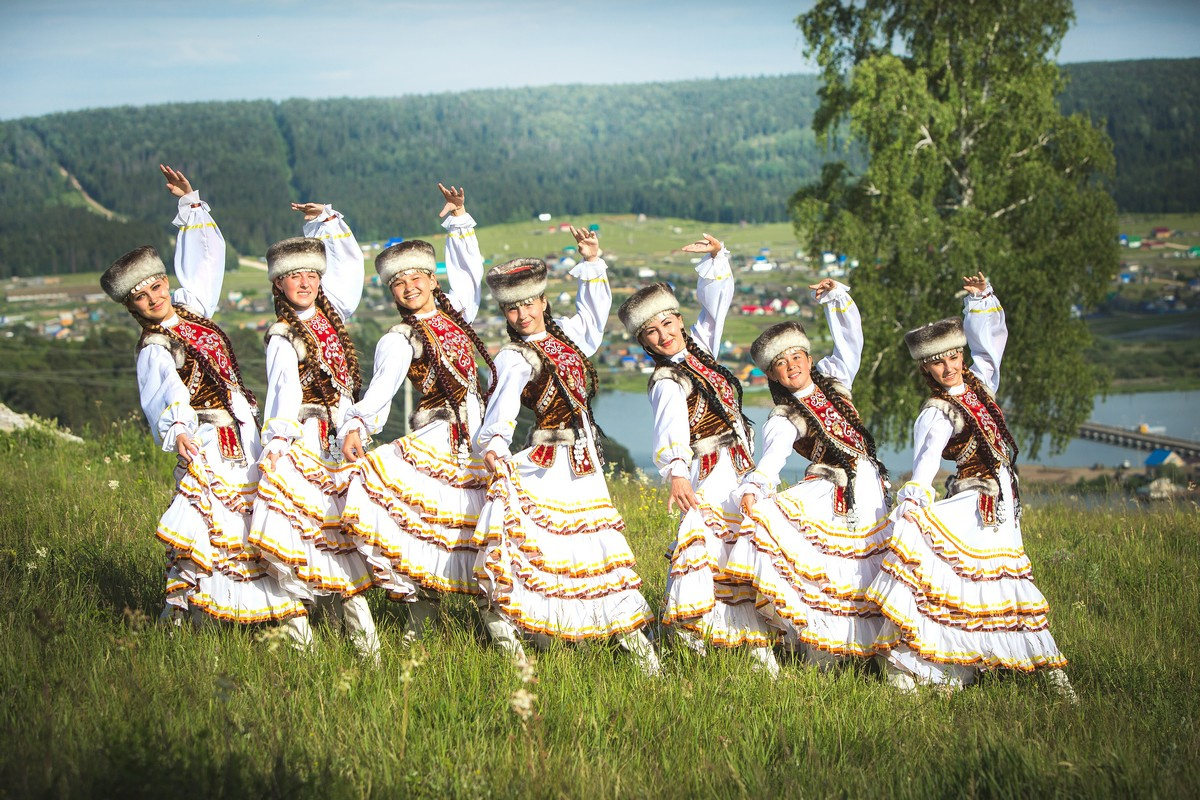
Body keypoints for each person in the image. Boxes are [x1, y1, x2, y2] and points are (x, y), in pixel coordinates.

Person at [100, 164, 304, 628]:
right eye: (140, 297)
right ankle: (195, 624)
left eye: (155, 286)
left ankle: (268, 614)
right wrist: (180, 433)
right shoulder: (154, 346)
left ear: (165, 282)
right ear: (131, 307)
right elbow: (165, 394)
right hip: (209, 440)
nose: (153, 299)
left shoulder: (193, 309)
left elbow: (207, 264)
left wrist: (190, 205)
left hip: (245, 432)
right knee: (213, 530)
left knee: (259, 521)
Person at [867, 272, 1076, 700]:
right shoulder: (936, 411)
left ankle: (1024, 670)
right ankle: (941, 665)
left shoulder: (980, 387)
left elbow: (990, 350)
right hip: (973, 505)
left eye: (953, 357)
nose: (948, 367)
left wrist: (980, 303)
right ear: (926, 367)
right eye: (937, 362)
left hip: (1003, 504)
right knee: (977, 584)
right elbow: (924, 466)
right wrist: (914, 501)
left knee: (999, 583)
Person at [471, 228, 660, 674]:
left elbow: (593, 319)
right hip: (548, 463)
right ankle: (520, 635)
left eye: (528, 303)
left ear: (543, 302)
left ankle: (629, 647)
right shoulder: (513, 358)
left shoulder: (568, 338)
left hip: (584, 462)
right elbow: (499, 412)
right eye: (512, 308)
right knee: (559, 552)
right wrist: (495, 445)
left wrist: (592, 262)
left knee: (597, 551)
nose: (521, 314)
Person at [617, 234, 778, 676]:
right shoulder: (667, 381)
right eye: (652, 332)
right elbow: (670, 430)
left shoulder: (701, 351)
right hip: (711, 471)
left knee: (743, 552)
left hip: (741, 465)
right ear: (645, 342)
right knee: (710, 553)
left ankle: (748, 638)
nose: (663, 335)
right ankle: (693, 638)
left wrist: (715, 259)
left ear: (678, 321)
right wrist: (676, 473)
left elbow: (716, 308)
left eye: (667, 324)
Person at [340, 184, 493, 642]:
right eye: (398, 283)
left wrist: (459, 221)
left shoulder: (459, 317)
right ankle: (420, 630)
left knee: (475, 531)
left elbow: (471, 273)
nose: (408, 288)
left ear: (432, 280)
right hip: (436, 440)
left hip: (476, 439)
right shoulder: (398, 338)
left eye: (416, 279)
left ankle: (485, 627)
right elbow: (381, 389)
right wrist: (358, 424)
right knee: (428, 534)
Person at [728, 279, 889, 668]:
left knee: (868, 566)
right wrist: (755, 485)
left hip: (872, 488)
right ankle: (826, 651)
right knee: (836, 570)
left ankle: (868, 652)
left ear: (807, 357)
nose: (792, 366)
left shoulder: (835, 379)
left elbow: (852, 342)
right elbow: (773, 457)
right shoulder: (785, 416)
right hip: (831, 494)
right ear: (774, 375)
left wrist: (838, 299)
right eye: (781, 364)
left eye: (796, 357)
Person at [247, 200, 380, 659]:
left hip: (337, 440)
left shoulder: (332, 317)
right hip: (302, 439)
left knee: (342, 539)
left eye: (312, 274)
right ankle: (306, 646)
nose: (305, 282)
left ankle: (366, 652)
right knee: (305, 536)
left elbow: (351, 264)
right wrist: (278, 443)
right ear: (278, 284)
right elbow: (283, 392)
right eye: (295, 276)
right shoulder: (282, 335)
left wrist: (325, 220)